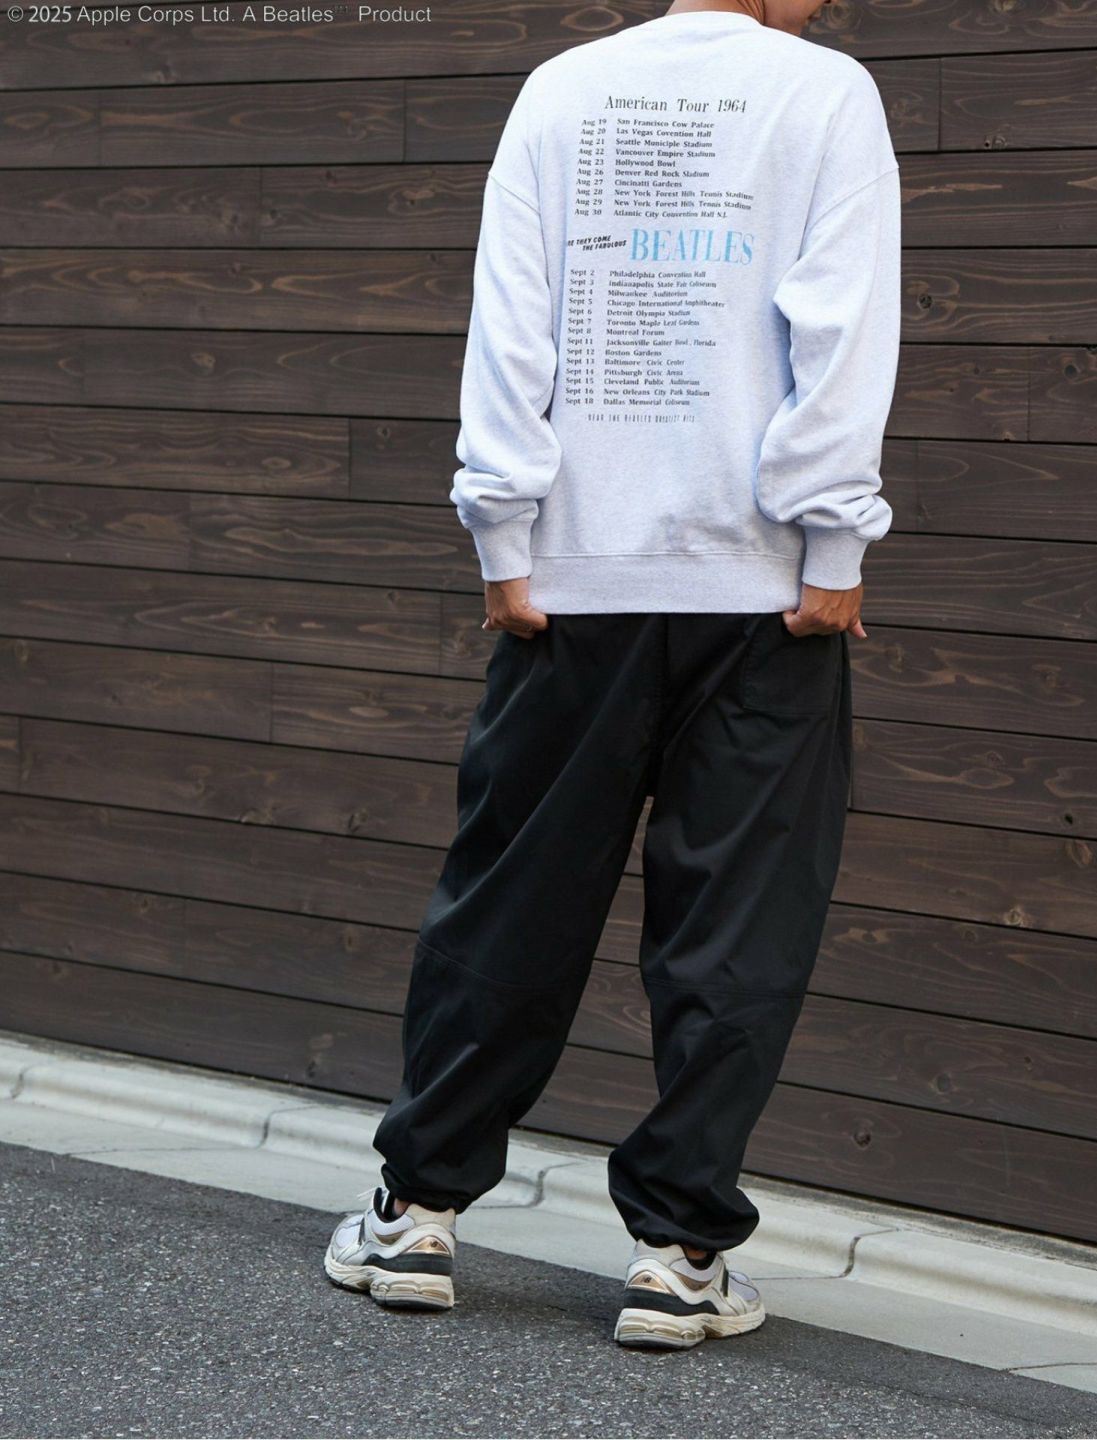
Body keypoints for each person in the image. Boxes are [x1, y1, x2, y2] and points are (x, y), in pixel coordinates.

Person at [324, 0, 900, 1350]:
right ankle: (681, 1253)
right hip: (766, 595)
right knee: (738, 924)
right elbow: (843, 325)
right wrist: (835, 542)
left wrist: (501, 530)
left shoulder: (564, 88)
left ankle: (418, 1213)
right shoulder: (826, 93)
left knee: (513, 897)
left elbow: (512, 322)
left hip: (572, 582)